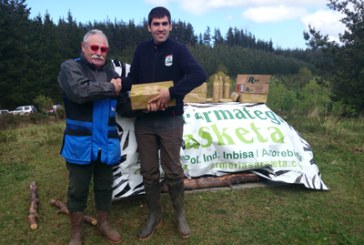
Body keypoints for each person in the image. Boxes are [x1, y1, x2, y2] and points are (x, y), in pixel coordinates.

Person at [121, 6, 207, 240]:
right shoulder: (141, 50)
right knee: (148, 171)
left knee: (172, 170)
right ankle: (154, 214)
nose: (160, 28)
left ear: (170, 26)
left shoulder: (178, 50)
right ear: (149, 27)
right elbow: (134, 78)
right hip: (145, 122)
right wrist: (120, 83)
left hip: (170, 120)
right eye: (156, 24)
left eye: (164, 23)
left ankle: (179, 214)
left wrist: (171, 93)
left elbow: (199, 74)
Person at [58, 29, 122, 245]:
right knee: (78, 188)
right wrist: (111, 87)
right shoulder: (70, 68)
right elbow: (80, 91)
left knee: (105, 186)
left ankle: (103, 223)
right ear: (83, 47)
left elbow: (125, 105)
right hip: (80, 144)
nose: (98, 52)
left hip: (107, 143)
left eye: (103, 49)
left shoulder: (112, 73)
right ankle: (76, 232)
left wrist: (147, 104)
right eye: (94, 47)